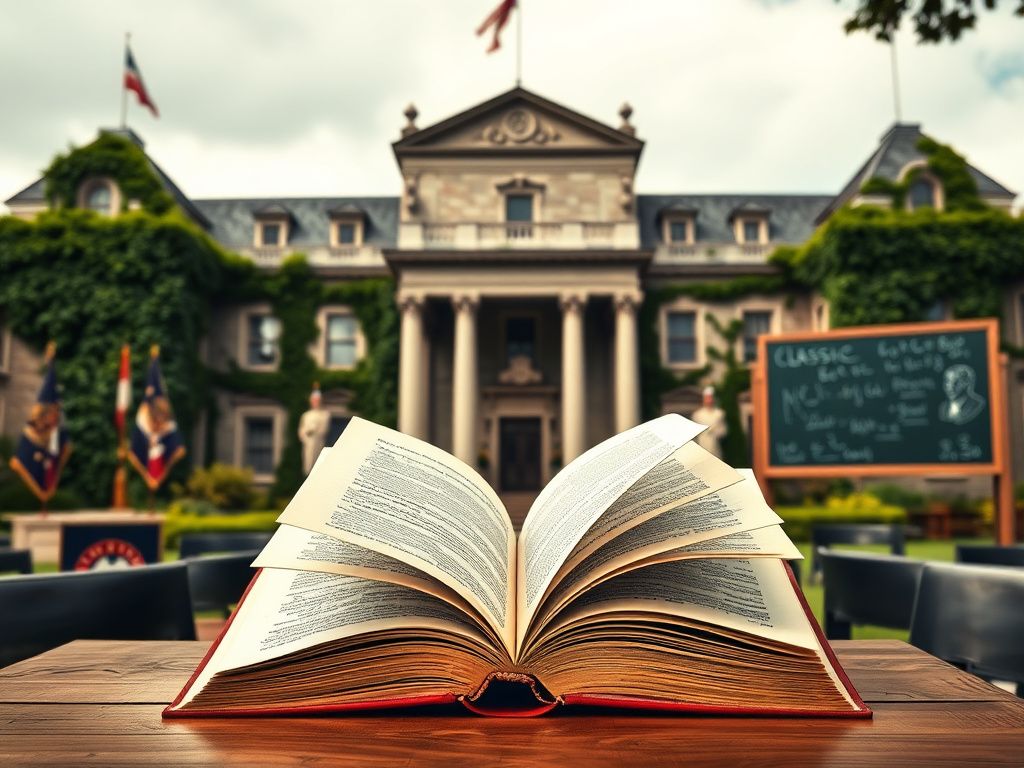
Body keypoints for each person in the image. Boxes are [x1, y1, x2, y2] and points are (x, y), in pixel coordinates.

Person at [298, 385, 330, 475]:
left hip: (318, 443)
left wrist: (316, 430)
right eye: (314, 401)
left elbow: (324, 430)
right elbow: (301, 432)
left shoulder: (325, 414)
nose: (315, 402)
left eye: (317, 401)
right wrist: (308, 431)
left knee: (318, 464)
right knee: (308, 464)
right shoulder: (306, 415)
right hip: (308, 443)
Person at [691, 386, 727, 458]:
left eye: (710, 397)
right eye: (707, 398)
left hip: (715, 447)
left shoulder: (719, 413)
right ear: (703, 399)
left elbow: (724, 430)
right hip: (702, 447)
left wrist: (715, 432)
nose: (709, 400)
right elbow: (694, 434)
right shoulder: (697, 414)